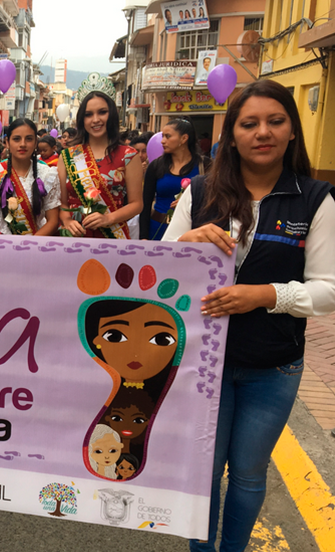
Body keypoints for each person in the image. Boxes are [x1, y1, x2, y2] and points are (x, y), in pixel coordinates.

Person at [163, 79, 335, 552]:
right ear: (232, 136)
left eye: (276, 121)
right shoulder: (200, 192)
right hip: (203, 365)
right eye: (249, 123)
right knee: (203, 471)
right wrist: (185, 243)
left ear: (292, 131)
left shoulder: (316, 199)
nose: (263, 132)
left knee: (248, 473)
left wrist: (265, 295)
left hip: (273, 367)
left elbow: (328, 291)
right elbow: (158, 269)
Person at [58, 91, 143, 239]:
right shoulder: (68, 156)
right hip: (75, 235)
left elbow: (137, 204)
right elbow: (62, 204)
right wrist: (67, 221)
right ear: (82, 119)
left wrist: (108, 218)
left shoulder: (128, 155)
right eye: (88, 114)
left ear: (112, 115)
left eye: (102, 112)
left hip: (112, 235)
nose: (95, 120)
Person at [0, 118, 61, 236]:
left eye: (29, 139)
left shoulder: (47, 175)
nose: (22, 144)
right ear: (7, 142)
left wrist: (29, 243)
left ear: (35, 143)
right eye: (16, 139)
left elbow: (53, 221)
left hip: (33, 243)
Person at [140, 118, 209, 240]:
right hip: (157, 228)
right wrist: (143, 237)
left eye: (168, 136)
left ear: (184, 138)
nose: (162, 141)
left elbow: (215, 199)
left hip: (192, 231)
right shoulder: (156, 166)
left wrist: (188, 202)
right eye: (162, 136)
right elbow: (145, 204)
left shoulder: (204, 165)